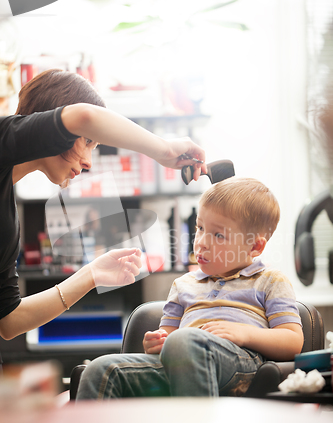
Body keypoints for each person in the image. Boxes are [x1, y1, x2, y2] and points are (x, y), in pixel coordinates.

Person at [0, 68, 206, 345]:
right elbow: (86, 116)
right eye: (87, 141)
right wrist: (164, 150)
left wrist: (90, 275)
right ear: (50, 127)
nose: (88, 162)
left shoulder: (8, 222)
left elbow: (9, 321)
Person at [76, 177, 304, 399]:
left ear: (254, 246)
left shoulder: (270, 280)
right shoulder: (183, 284)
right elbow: (170, 339)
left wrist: (244, 333)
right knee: (100, 370)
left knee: (183, 341)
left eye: (218, 235)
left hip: (241, 365)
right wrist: (157, 342)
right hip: (178, 363)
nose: (202, 241)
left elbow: (293, 341)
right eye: (200, 228)